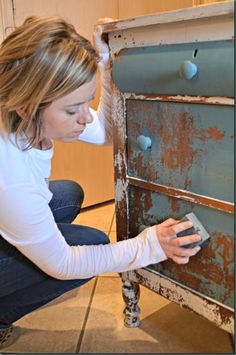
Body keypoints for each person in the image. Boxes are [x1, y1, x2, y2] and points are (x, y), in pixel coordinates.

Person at [0, 16, 201, 348]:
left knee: (67, 194)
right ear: (26, 107)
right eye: (71, 110)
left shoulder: (21, 114)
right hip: (10, 201)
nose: (84, 117)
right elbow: (64, 264)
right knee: (91, 246)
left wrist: (105, 62)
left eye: (85, 102)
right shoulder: (11, 180)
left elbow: (108, 132)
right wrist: (149, 245)